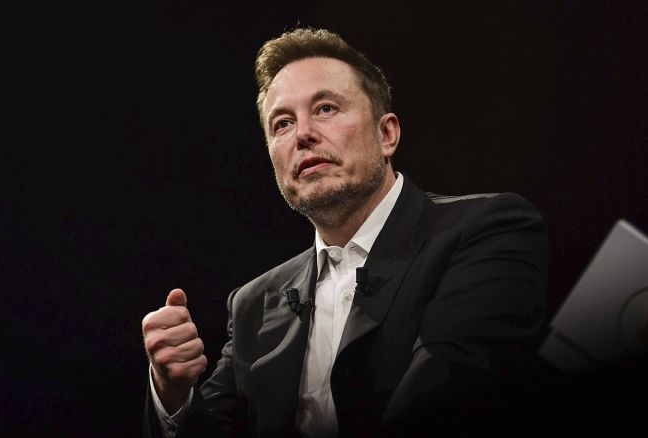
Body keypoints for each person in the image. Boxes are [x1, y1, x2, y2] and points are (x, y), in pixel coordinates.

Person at [141, 27, 548, 437]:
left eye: (326, 109)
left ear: (386, 134)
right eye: (282, 123)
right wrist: (172, 395)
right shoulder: (254, 304)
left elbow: (449, 394)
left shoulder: (486, 230)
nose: (303, 134)